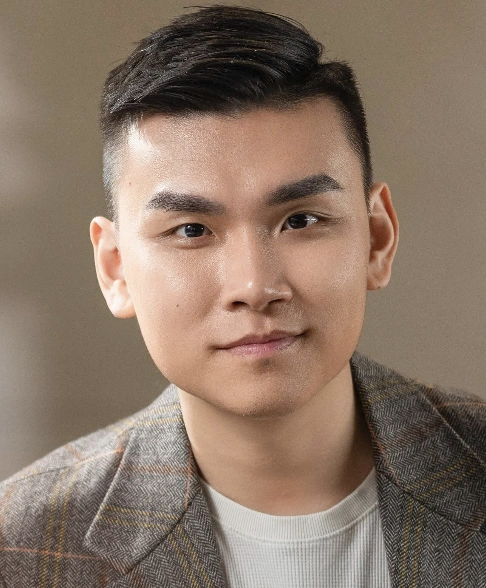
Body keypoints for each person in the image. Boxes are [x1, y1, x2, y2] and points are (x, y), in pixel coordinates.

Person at [0, 5, 484, 587]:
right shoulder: (21, 546)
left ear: (377, 238)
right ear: (116, 268)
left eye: (300, 220)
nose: (254, 287)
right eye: (191, 230)